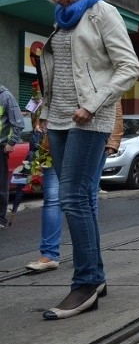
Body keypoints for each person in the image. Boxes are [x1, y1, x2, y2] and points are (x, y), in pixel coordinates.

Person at [34, 0, 139, 319]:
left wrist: (93, 104)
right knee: (83, 200)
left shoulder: (101, 13)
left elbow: (129, 67)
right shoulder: (63, 19)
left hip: (88, 119)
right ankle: (96, 275)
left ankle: (86, 283)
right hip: (60, 119)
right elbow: (59, 69)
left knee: (74, 199)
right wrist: (46, 113)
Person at [27, 104, 124, 272]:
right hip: (53, 138)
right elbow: (47, 98)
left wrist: (113, 140)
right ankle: (50, 253)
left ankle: (88, 256)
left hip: (91, 136)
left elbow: (114, 101)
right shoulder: (48, 78)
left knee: (87, 197)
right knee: (53, 198)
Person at [0, 84, 24, 229]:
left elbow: (18, 122)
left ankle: (1, 219)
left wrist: (11, 142)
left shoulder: (5, 96)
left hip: (0, 147)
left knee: (1, 187)